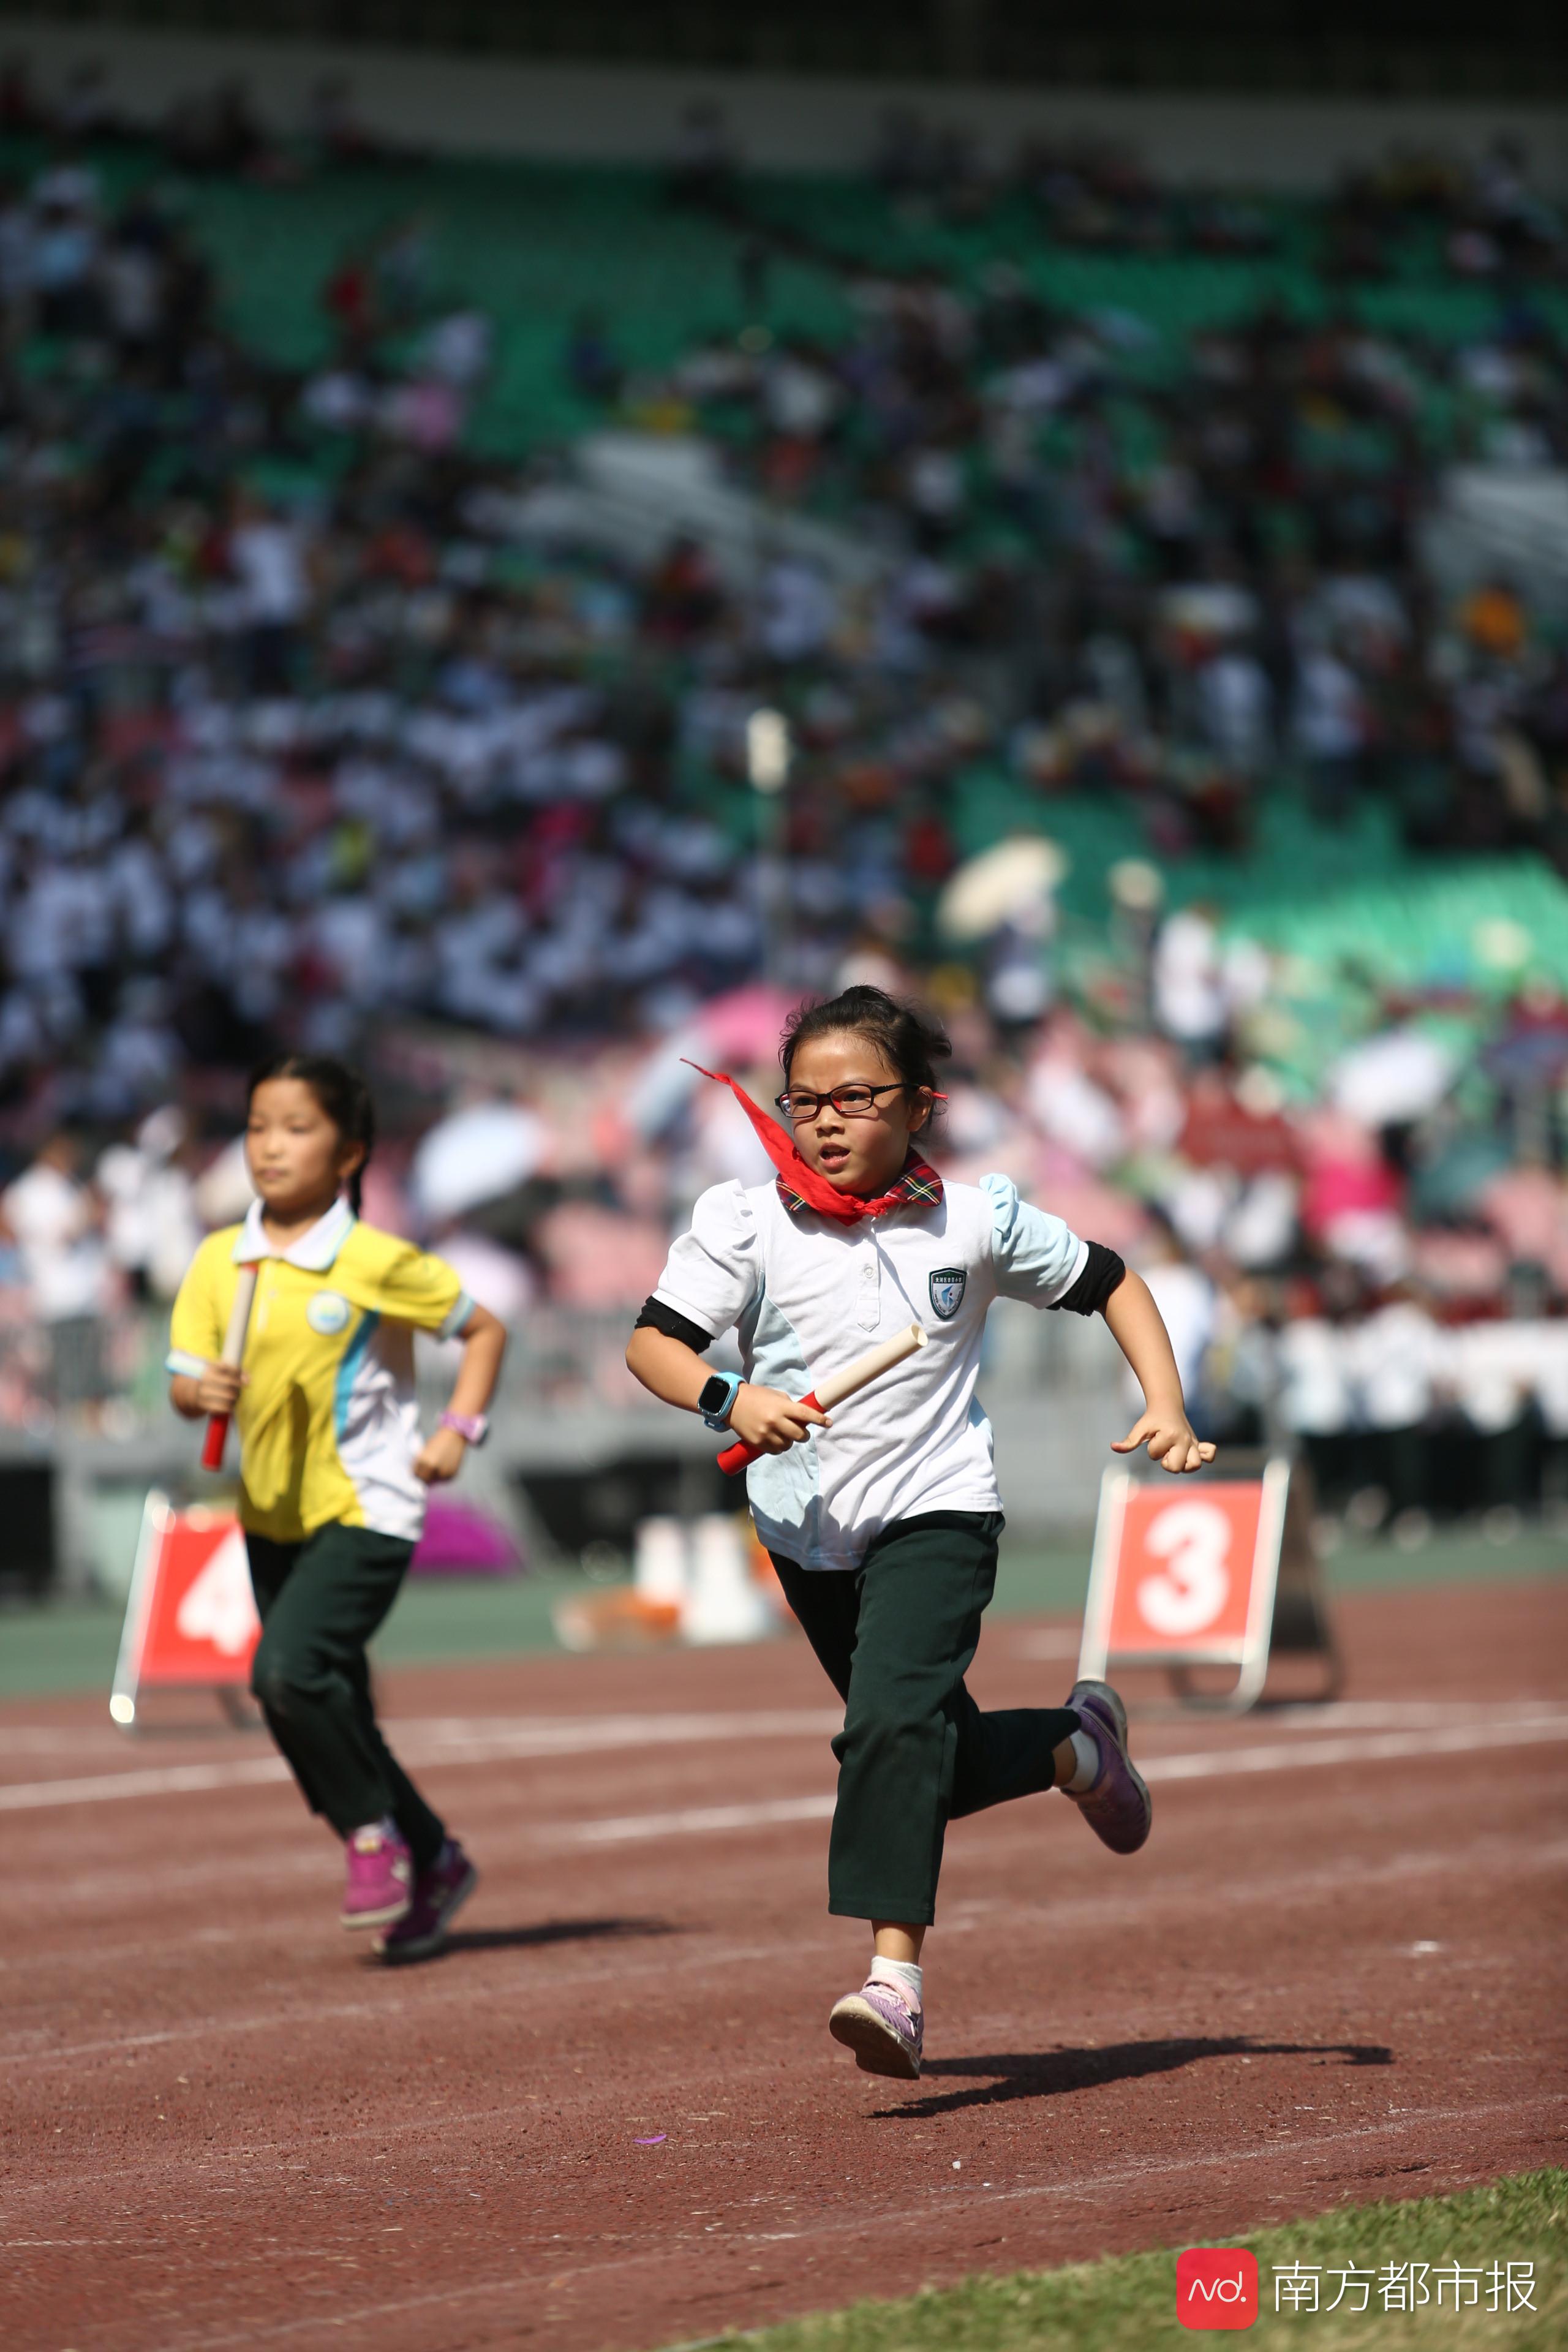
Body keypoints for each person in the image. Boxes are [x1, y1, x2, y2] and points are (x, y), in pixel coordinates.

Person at [626, 986, 1214, 2081]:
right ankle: (1079, 1747)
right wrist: (729, 1400)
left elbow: (1113, 1283)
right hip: (805, 1530)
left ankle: (894, 1983)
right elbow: (654, 1347)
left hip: (939, 1509)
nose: (827, 1122)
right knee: (919, 1756)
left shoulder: (977, 1219)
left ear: (920, 1105)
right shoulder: (742, 1221)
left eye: (856, 1097)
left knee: (888, 1732)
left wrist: (1167, 1403)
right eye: (804, 1102)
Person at [167, 1055, 506, 1962]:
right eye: (257, 1127)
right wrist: (200, 1394)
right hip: (271, 1511)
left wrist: (458, 1427)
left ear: (351, 1150)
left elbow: (484, 1330)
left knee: (287, 1671)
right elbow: (181, 1384)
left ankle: (371, 1838)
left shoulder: (370, 1260)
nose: (271, 1147)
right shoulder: (218, 1259)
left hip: (370, 1503)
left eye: (298, 1128)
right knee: (322, 1707)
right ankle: (433, 1858)